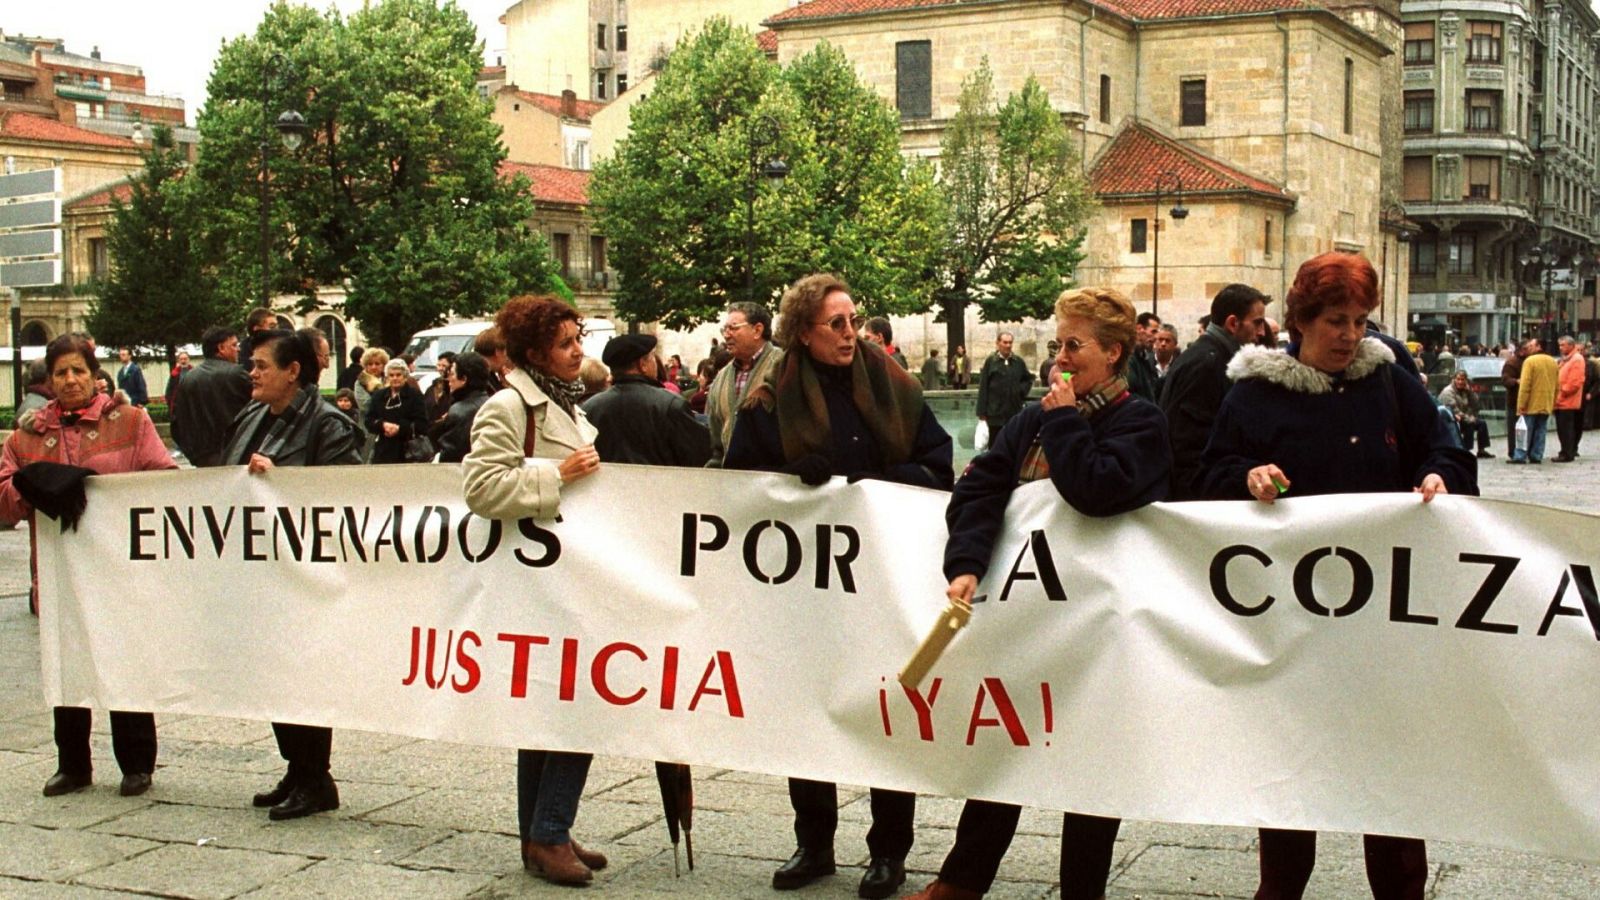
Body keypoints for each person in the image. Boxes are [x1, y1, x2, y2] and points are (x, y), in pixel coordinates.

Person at [1197, 252, 1477, 900]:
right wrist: (1246, 478)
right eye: (1335, 321)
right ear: (1299, 320)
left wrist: (1440, 476)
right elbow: (1206, 475)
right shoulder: (1252, 393)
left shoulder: (1389, 381)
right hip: (1292, 628)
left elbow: (1447, 450)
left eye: (1359, 320)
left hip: (1382, 625)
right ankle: (1281, 889)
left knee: (1392, 779)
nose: (1351, 335)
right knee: (1293, 776)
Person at [911, 287, 1169, 900]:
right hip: (1033, 623)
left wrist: (1061, 420)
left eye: (1074, 345)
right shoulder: (1031, 419)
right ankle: (961, 880)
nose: (1061, 357)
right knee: (1006, 746)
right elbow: (979, 489)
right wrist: (969, 561)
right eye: (1058, 344)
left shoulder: (1140, 422)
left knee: (1091, 770)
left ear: (1112, 353)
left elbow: (1095, 491)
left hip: (1103, 630)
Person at [724, 273, 953, 900]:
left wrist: (883, 477)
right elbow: (738, 488)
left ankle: (889, 852)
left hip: (883, 581)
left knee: (887, 712)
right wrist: (788, 479)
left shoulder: (894, 385)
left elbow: (939, 466)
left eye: (854, 320)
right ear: (803, 332)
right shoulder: (769, 399)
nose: (852, 333)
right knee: (809, 712)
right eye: (836, 324)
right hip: (807, 590)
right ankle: (815, 843)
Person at [462, 295, 606, 886]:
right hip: (536, 582)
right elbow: (481, 488)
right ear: (533, 351)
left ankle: (542, 833)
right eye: (567, 342)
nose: (579, 351)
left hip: (562, 579)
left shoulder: (558, 400)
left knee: (550, 712)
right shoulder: (507, 405)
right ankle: (547, 832)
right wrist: (557, 475)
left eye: (579, 338)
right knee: (577, 707)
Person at [0, 335, 176, 795]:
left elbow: (165, 481)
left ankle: (137, 763)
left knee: (126, 661)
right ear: (49, 381)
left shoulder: (131, 422)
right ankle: (72, 763)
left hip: (119, 571)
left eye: (78, 370)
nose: (70, 380)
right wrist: (34, 486)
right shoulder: (26, 436)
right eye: (61, 373)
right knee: (65, 663)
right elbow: (3, 502)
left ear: (94, 373)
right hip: (59, 574)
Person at [219, 328, 361, 820]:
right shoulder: (253, 415)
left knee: (302, 671)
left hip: (305, 573)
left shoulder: (330, 425)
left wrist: (282, 481)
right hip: (258, 566)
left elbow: (342, 499)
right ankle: (296, 768)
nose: (251, 373)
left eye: (260, 365)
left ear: (292, 371)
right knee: (272, 672)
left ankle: (316, 777)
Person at [1157, 284, 1267, 500]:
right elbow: (1190, 446)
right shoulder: (1208, 363)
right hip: (1196, 500)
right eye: (1257, 323)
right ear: (1233, 323)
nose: (1261, 332)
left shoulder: (1208, 356)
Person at [582, 334, 710, 466]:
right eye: (652, 357)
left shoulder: (589, 408)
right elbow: (700, 456)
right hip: (664, 485)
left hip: (608, 486)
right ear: (642, 364)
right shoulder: (671, 405)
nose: (655, 362)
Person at [706, 301, 783, 466]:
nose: (726, 335)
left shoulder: (783, 366)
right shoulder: (721, 378)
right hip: (732, 482)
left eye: (733, 328)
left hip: (774, 480)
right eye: (724, 330)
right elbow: (715, 441)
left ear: (757, 330)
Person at [170, 327, 254, 468]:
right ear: (221, 348)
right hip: (237, 455)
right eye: (234, 345)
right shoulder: (237, 374)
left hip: (203, 459)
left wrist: (194, 455)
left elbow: (177, 423)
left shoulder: (189, 378)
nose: (238, 349)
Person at [430, 351, 494, 464]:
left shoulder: (459, 412)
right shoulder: (491, 402)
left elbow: (449, 456)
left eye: (452, 374)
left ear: (464, 379)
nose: (448, 379)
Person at [365, 359, 428, 464]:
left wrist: (400, 428)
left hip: (408, 452)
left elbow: (422, 425)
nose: (395, 378)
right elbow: (369, 421)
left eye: (398, 375)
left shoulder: (415, 395)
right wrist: (383, 425)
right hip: (383, 451)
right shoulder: (378, 396)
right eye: (391, 375)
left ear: (405, 376)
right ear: (387, 377)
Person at [975, 332, 1032, 436]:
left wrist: (1020, 391)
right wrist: (981, 412)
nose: (1008, 345)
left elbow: (1028, 379)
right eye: (1005, 342)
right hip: (994, 413)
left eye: (1010, 343)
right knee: (995, 444)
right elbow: (983, 387)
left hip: (1014, 412)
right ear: (998, 343)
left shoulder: (1018, 362)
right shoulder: (991, 361)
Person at [1510, 338, 1556, 465]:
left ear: (1538, 346)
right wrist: (1553, 401)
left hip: (1531, 403)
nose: (1528, 348)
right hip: (1546, 402)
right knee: (1541, 430)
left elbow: (1525, 385)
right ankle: (1537, 454)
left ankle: (1520, 455)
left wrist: (1521, 404)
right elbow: (1557, 384)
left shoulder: (1530, 361)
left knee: (1525, 430)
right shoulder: (1552, 361)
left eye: (1531, 345)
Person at [1437, 370, 1493, 459]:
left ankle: (1481, 450)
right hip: (1451, 418)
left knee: (1482, 423)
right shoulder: (1448, 392)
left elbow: (1476, 405)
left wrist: (1470, 392)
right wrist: (1469, 418)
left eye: (1462, 380)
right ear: (1454, 379)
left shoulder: (1465, 390)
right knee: (1469, 424)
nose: (1460, 382)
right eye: (1458, 379)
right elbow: (1454, 410)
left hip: (1464, 416)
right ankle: (1466, 450)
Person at [1553, 335, 1584, 463]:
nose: (1560, 348)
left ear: (1571, 345)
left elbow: (1574, 382)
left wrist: (1562, 392)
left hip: (1567, 401)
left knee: (1566, 429)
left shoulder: (1576, 359)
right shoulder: (1566, 359)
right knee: (1562, 429)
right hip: (1562, 401)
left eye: (1563, 345)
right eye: (1559, 345)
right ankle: (1565, 451)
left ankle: (1567, 452)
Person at [1125, 312, 1161, 400]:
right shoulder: (1127, 357)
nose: (1156, 337)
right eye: (1153, 331)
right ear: (1139, 329)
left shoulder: (1146, 358)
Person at [424, 351, 457, 425]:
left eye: (444, 366)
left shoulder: (456, 388)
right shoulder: (431, 388)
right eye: (439, 365)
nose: (440, 368)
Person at [354, 348, 388, 414]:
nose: (373, 367)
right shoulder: (360, 383)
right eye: (370, 364)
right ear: (365, 366)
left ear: (384, 365)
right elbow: (365, 406)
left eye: (377, 364)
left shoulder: (390, 379)